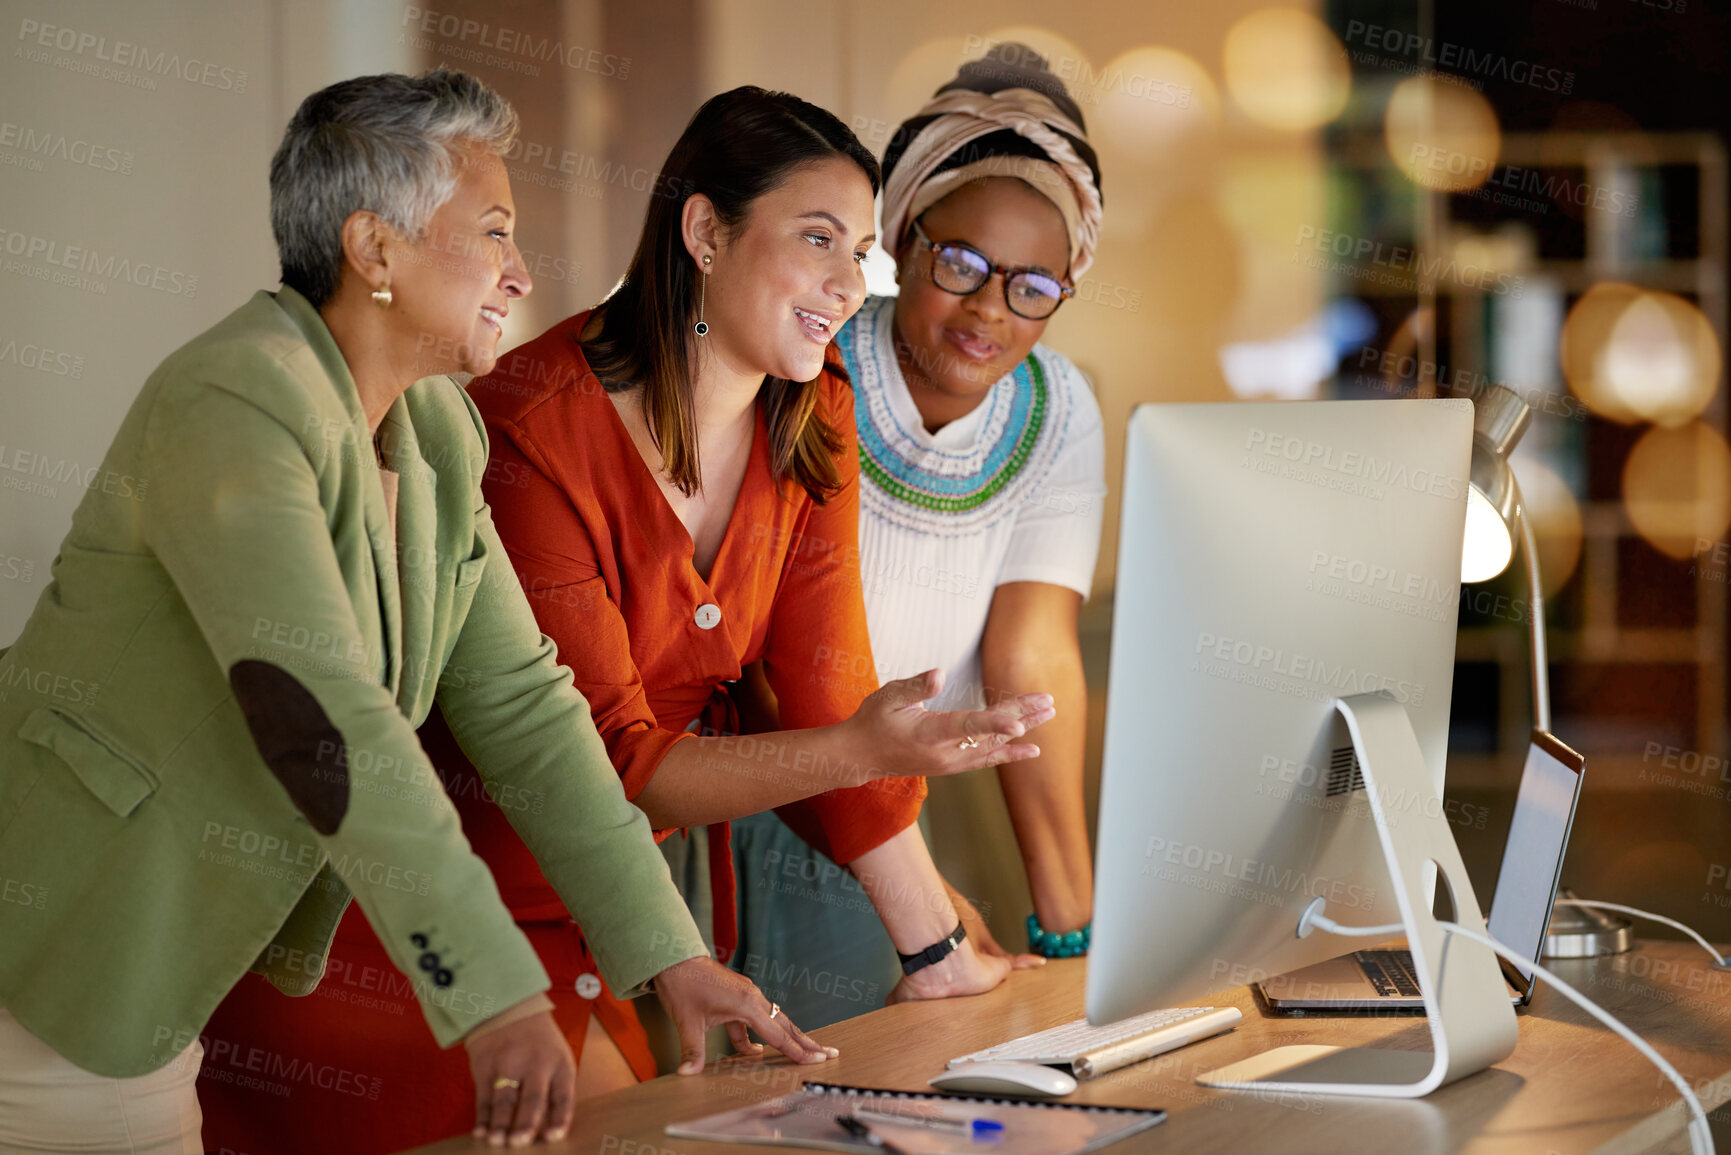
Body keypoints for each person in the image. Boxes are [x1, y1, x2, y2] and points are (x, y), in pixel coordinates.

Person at [198, 83, 1056, 1145]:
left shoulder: (809, 403)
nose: (853, 282)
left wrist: (935, 951)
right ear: (705, 231)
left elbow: (814, 689)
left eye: (863, 248)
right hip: (425, 918)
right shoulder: (509, 426)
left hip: (609, 902)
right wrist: (852, 754)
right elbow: (568, 750)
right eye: (821, 240)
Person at [0, 69, 821, 1155]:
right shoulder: (235, 400)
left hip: (153, 978)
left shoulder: (436, 432)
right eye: (492, 233)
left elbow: (524, 709)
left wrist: (671, 956)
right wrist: (495, 995)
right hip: (51, 942)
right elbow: (321, 712)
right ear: (373, 249)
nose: (520, 274)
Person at [730, 44, 1107, 1028]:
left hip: (909, 798)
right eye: (962, 263)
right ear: (903, 239)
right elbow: (776, 672)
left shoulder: (1055, 405)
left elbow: (1035, 656)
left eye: (1034, 285)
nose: (991, 308)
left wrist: (1074, 925)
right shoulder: (813, 365)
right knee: (824, 1091)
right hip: (770, 794)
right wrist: (925, 903)